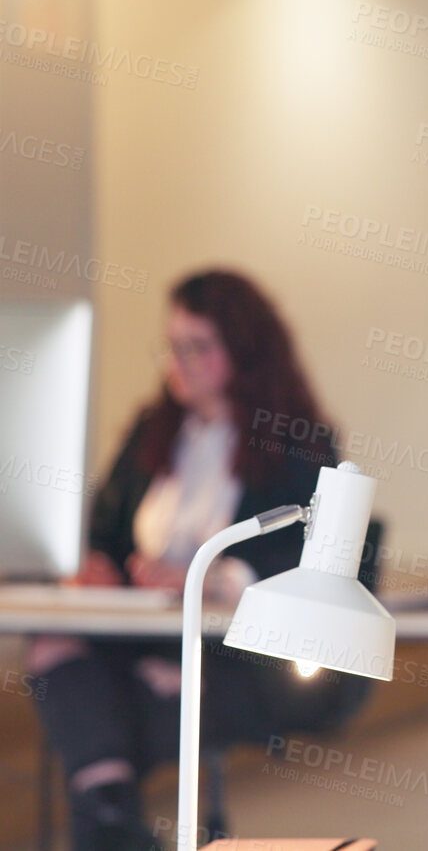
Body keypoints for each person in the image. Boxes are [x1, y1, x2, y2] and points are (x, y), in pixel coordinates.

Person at [28, 269, 373, 851]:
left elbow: (304, 556)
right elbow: (108, 531)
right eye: (174, 346)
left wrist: (216, 576)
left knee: (114, 700)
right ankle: (112, 815)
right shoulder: (152, 430)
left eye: (198, 347)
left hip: (233, 653)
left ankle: (107, 813)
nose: (179, 362)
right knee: (52, 645)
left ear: (242, 349)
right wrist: (103, 567)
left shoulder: (296, 440)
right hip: (140, 636)